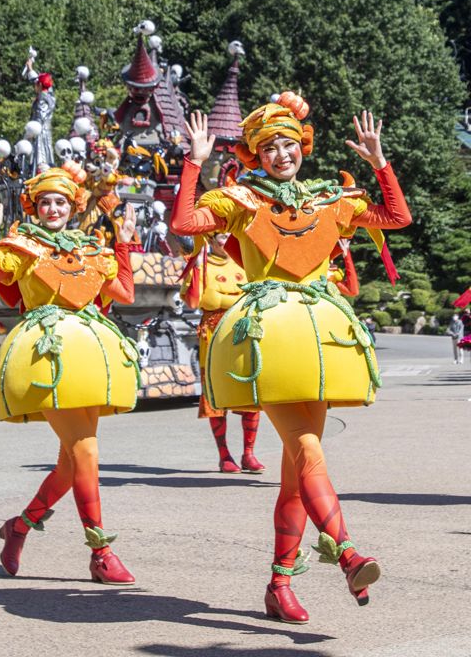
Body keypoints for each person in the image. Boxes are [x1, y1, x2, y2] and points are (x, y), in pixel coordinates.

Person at [171, 97, 411, 624]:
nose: (281, 154)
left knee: (294, 476)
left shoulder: (328, 200)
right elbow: (186, 222)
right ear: (256, 155)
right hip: (267, 338)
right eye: (269, 148)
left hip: (319, 337)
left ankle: (279, 585)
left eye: (288, 144)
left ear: (302, 147)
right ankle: (348, 554)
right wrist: (194, 161)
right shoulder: (241, 199)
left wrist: (379, 162)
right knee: (307, 449)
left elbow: (397, 217)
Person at [0, 165, 141, 584]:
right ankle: (100, 552)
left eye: (61, 201)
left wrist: (122, 243)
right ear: (34, 207)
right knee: (86, 453)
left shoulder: (90, 250)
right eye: (45, 202)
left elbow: (124, 293)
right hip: (46, 357)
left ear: (73, 207)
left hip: (88, 356)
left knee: (69, 465)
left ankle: (19, 527)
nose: (53, 208)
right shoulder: (21, 247)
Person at [181, 233, 264, 473]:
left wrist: (219, 298)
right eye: (220, 236)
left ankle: (249, 453)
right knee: (215, 393)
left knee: (248, 389)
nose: (225, 241)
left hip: (242, 331)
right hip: (213, 334)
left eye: (229, 235)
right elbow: (199, 300)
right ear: (209, 239)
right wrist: (235, 299)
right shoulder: (200, 264)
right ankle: (224, 455)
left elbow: (253, 295)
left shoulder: (243, 262)